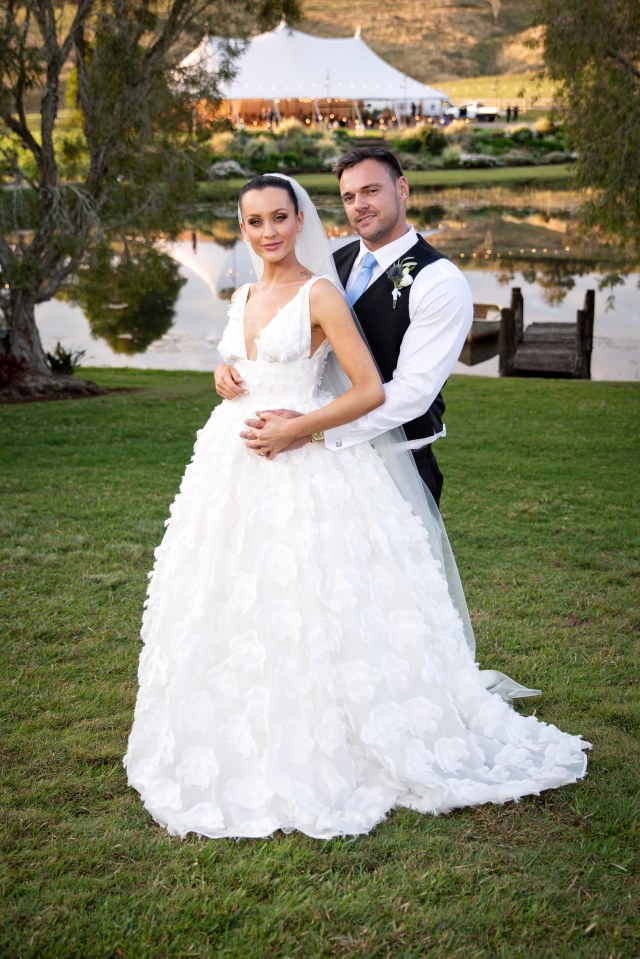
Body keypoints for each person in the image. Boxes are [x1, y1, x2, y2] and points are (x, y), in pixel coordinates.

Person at [122, 174, 590, 841]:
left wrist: (300, 428)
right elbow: (240, 363)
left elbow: (369, 387)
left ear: (299, 217)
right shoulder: (247, 292)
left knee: (314, 596)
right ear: (243, 227)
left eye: (279, 217)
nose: (268, 232)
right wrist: (223, 374)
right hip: (230, 466)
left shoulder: (320, 292)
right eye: (253, 221)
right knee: (230, 593)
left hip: (305, 462)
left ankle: (335, 726)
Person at [241, 148, 472, 506]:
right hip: (320, 462)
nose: (359, 204)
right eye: (349, 197)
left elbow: (413, 391)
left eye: (371, 191)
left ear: (402, 189)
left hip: (400, 459)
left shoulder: (439, 281)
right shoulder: (334, 264)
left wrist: (313, 429)